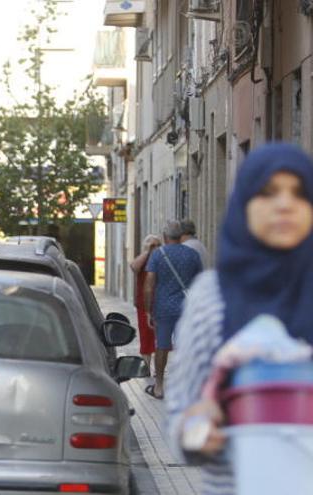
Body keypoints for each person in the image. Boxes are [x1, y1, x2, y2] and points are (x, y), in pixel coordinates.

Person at [167, 143, 313, 493]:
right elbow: (180, 417)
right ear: (244, 205)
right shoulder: (211, 296)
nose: (284, 204)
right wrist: (198, 430)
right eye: (267, 192)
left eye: (299, 193)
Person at [144, 220, 203, 399]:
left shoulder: (157, 254)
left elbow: (148, 285)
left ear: (165, 236)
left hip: (163, 308)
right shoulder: (192, 254)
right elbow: (201, 282)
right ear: (181, 236)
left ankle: (159, 386)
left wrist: (148, 310)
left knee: (162, 346)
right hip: (187, 307)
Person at [130, 234, 162, 371]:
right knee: (145, 337)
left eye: (157, 245)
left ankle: (159, 368)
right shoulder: (143, 259)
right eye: (151, 245)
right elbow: (134, 267)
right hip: (144, 304)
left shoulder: (162, 259)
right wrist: (147, 252)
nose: (154, 248)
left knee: (160, 338)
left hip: (161, 303)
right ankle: (146, 367)